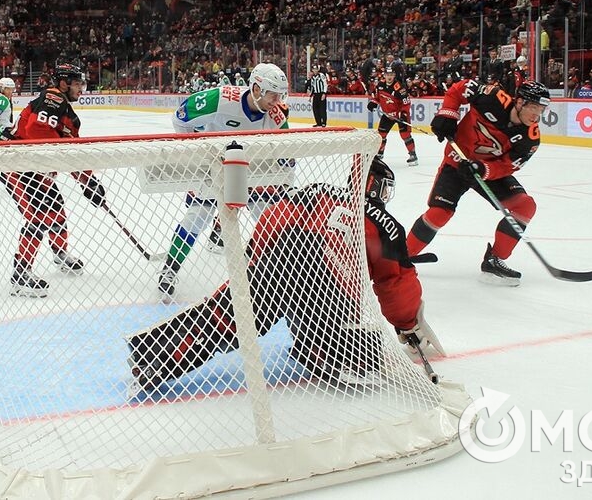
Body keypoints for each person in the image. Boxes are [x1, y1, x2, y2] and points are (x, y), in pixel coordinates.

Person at [127, 157, 444, 393]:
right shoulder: (385, 224)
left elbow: (273, 219)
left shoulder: (317, 191)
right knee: (367, 353)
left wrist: (258, 267)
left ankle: (151, 351)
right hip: (325, 286)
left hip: (281, 252)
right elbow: (394, 285)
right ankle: (320, 351)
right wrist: (407, 324)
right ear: (377, 186)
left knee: (231, 317)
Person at [157, 62, 290, 301]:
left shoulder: (276, 115)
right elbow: (181, 117)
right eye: (273, 94)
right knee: (197, 217)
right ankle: (170, 268)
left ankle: (283, 272)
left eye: (281, 94)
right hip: (213, 167)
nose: (277, 100)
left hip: (251, 171)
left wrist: (282, 170)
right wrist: (197, 152)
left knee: (270, 218)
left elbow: (286, 157)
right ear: (257, 89)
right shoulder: (219, 99)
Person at [406, 80, 551, 286]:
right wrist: (448, 113)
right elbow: (458, 89)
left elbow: (509, 165)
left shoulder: (530, 138)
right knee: (440, 212)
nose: (537, 114)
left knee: (525, 205)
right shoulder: (493, 97)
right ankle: (401, 257)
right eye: (533, 107)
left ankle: (494, 260)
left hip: (486, 171)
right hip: (457, 161)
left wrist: (485, 170)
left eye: (542, 109)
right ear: (519, 102)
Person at [3, 62, 105, 298]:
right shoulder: (52, 98)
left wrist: (88, 182)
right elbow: (37, 132)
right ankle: (20, 274)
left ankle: (60, 253)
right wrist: (83, 179)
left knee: (56, 211)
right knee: (37, 218)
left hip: (38, 169)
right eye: (77, 84)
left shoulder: (67, 113)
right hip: (21, 166)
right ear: (63, 83)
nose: (81, 89)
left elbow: (69, 151)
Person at [366, 66, 417, 166]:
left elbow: (406, 103)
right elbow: (377, 97)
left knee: (405, 135)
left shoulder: (399, 87)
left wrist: (403, 114)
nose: (389, 77)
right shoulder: (380, 85)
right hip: (387, 115)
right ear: (384, 75)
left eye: (391, 75)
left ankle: (413, 154)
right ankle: (379, 154)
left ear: (394, 75)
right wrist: (373, 102)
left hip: (399, 115)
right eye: (387, 74)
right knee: (381, 135)